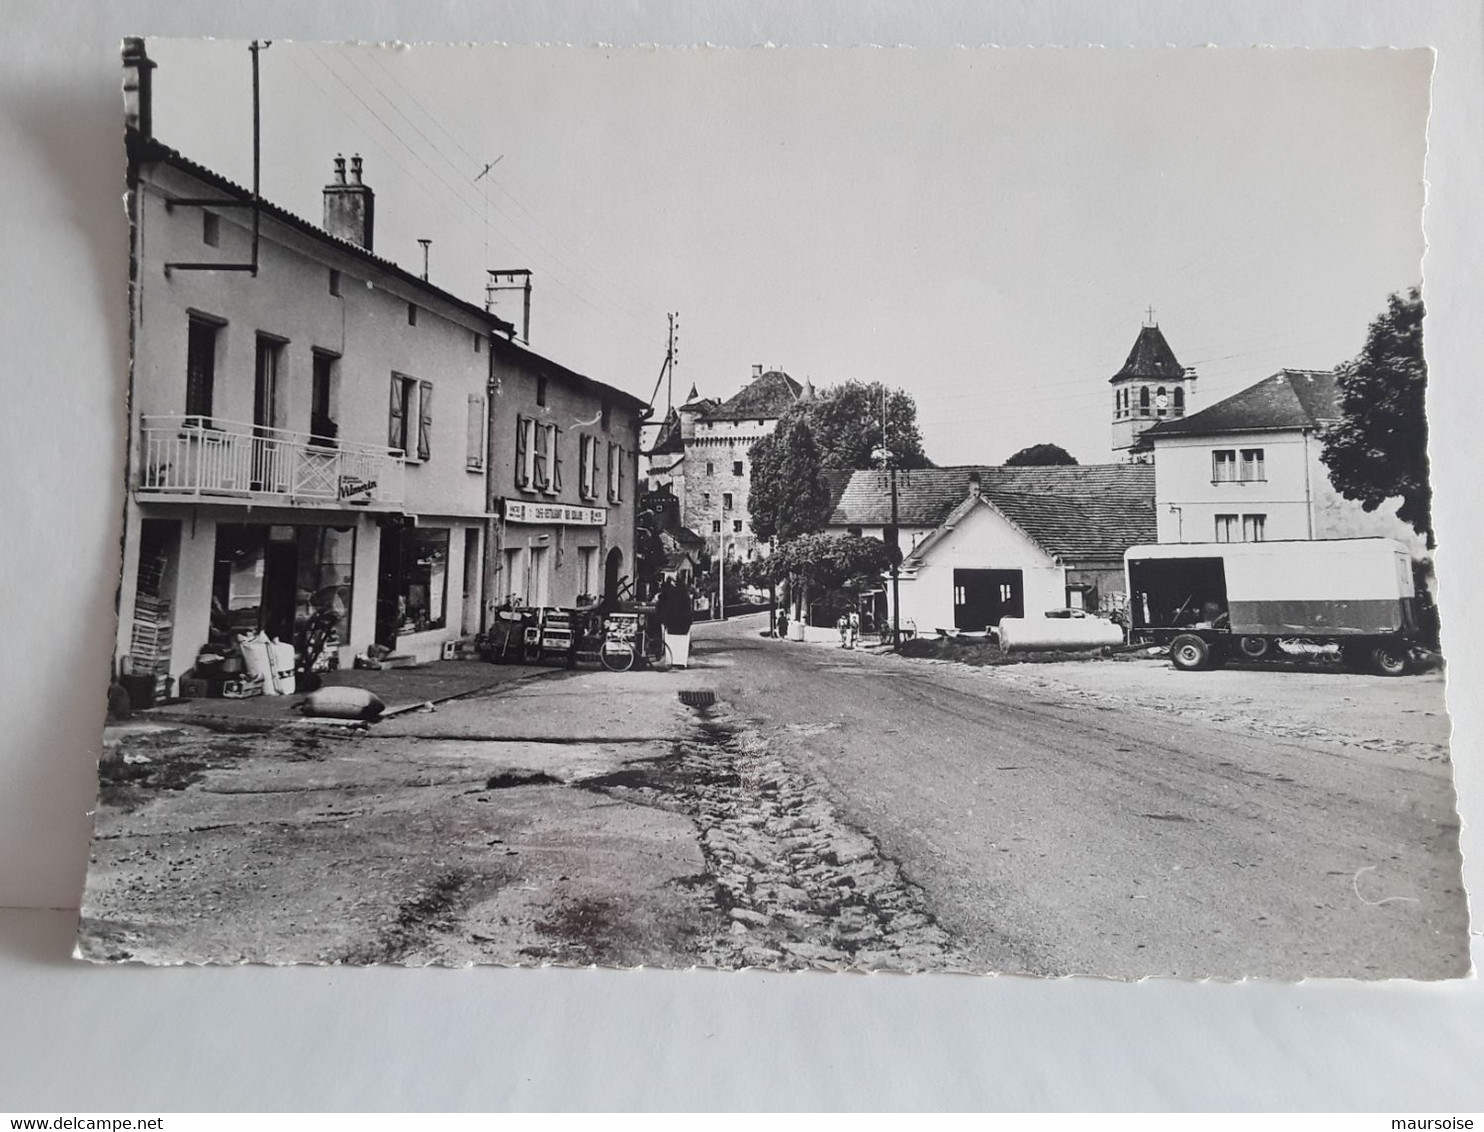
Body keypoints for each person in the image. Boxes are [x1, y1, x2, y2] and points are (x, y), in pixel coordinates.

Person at [656, 577, 695, 668]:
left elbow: (660, 606)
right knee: (682, 641)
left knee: (670, 639)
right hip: (683, 625)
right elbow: (688, 611)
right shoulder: (684, 594)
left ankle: (670, 659)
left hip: (671, 624)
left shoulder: (666, 593)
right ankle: (681, 660)